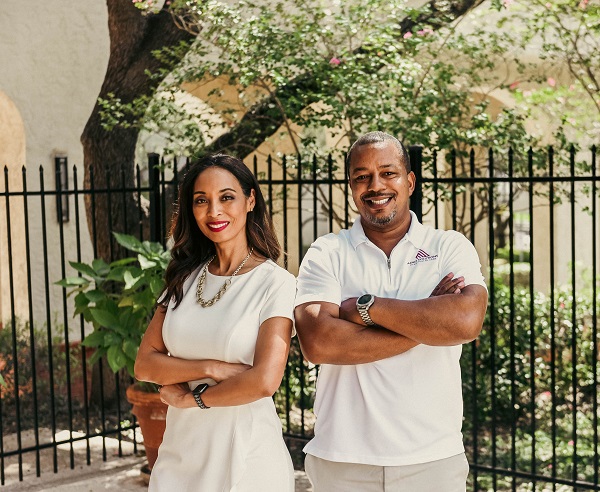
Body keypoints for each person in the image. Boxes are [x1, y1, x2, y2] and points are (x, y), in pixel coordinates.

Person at [294, 131, 488, 492]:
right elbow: (319, 343)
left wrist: (363, 308)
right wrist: (428, 320)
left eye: (388, 172)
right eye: (362, 176)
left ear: (410, 181)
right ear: (351, 187)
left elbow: (464, 322)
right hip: (343, 460)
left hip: (431, 460)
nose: (375, 185)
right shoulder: (327, 253)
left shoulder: (448, 246)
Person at [134, 154, 296, 491]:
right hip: (180, 455)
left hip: (246, 455)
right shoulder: (184, 278)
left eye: (226, 197)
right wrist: (215, 368)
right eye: (201, 201)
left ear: (250, 200)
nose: (214, 211)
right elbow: (145, 365)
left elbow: (264, 381)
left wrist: (191, 399)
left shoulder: (276, 284)